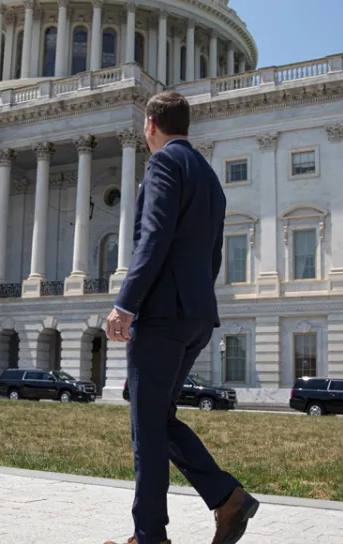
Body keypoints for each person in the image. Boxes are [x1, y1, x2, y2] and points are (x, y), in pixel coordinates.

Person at [104, 91, 259, 544]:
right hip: (195, 315)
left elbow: (153, 237)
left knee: (146, 430)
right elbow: (212, 257)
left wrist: (126, 303)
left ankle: (150, 536)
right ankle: (228, 499)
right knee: (155, 416)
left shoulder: (163, 164)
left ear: (150, 125)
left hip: (162, 315)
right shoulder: (209, 177)